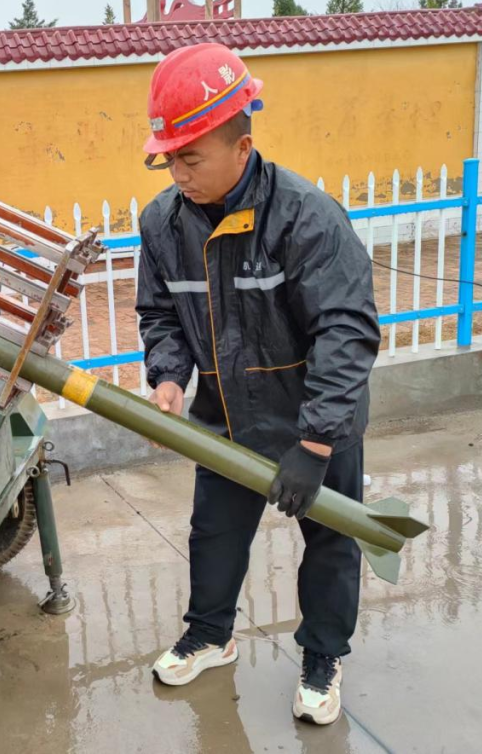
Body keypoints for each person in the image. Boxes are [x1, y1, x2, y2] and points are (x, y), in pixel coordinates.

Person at [136, 43, 381, 726]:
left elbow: (347, 332)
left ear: (241, 146)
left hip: (313, 418)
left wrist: (316, 443)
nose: (178, 173)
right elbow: (161, 313)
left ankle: (323, 655)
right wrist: (167, 376)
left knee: (330, 541)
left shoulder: (307, 217)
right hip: (227, 417)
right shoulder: (162, 224)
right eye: (169, 158)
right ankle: (210, 634)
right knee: (213, 531)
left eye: (192, 157)